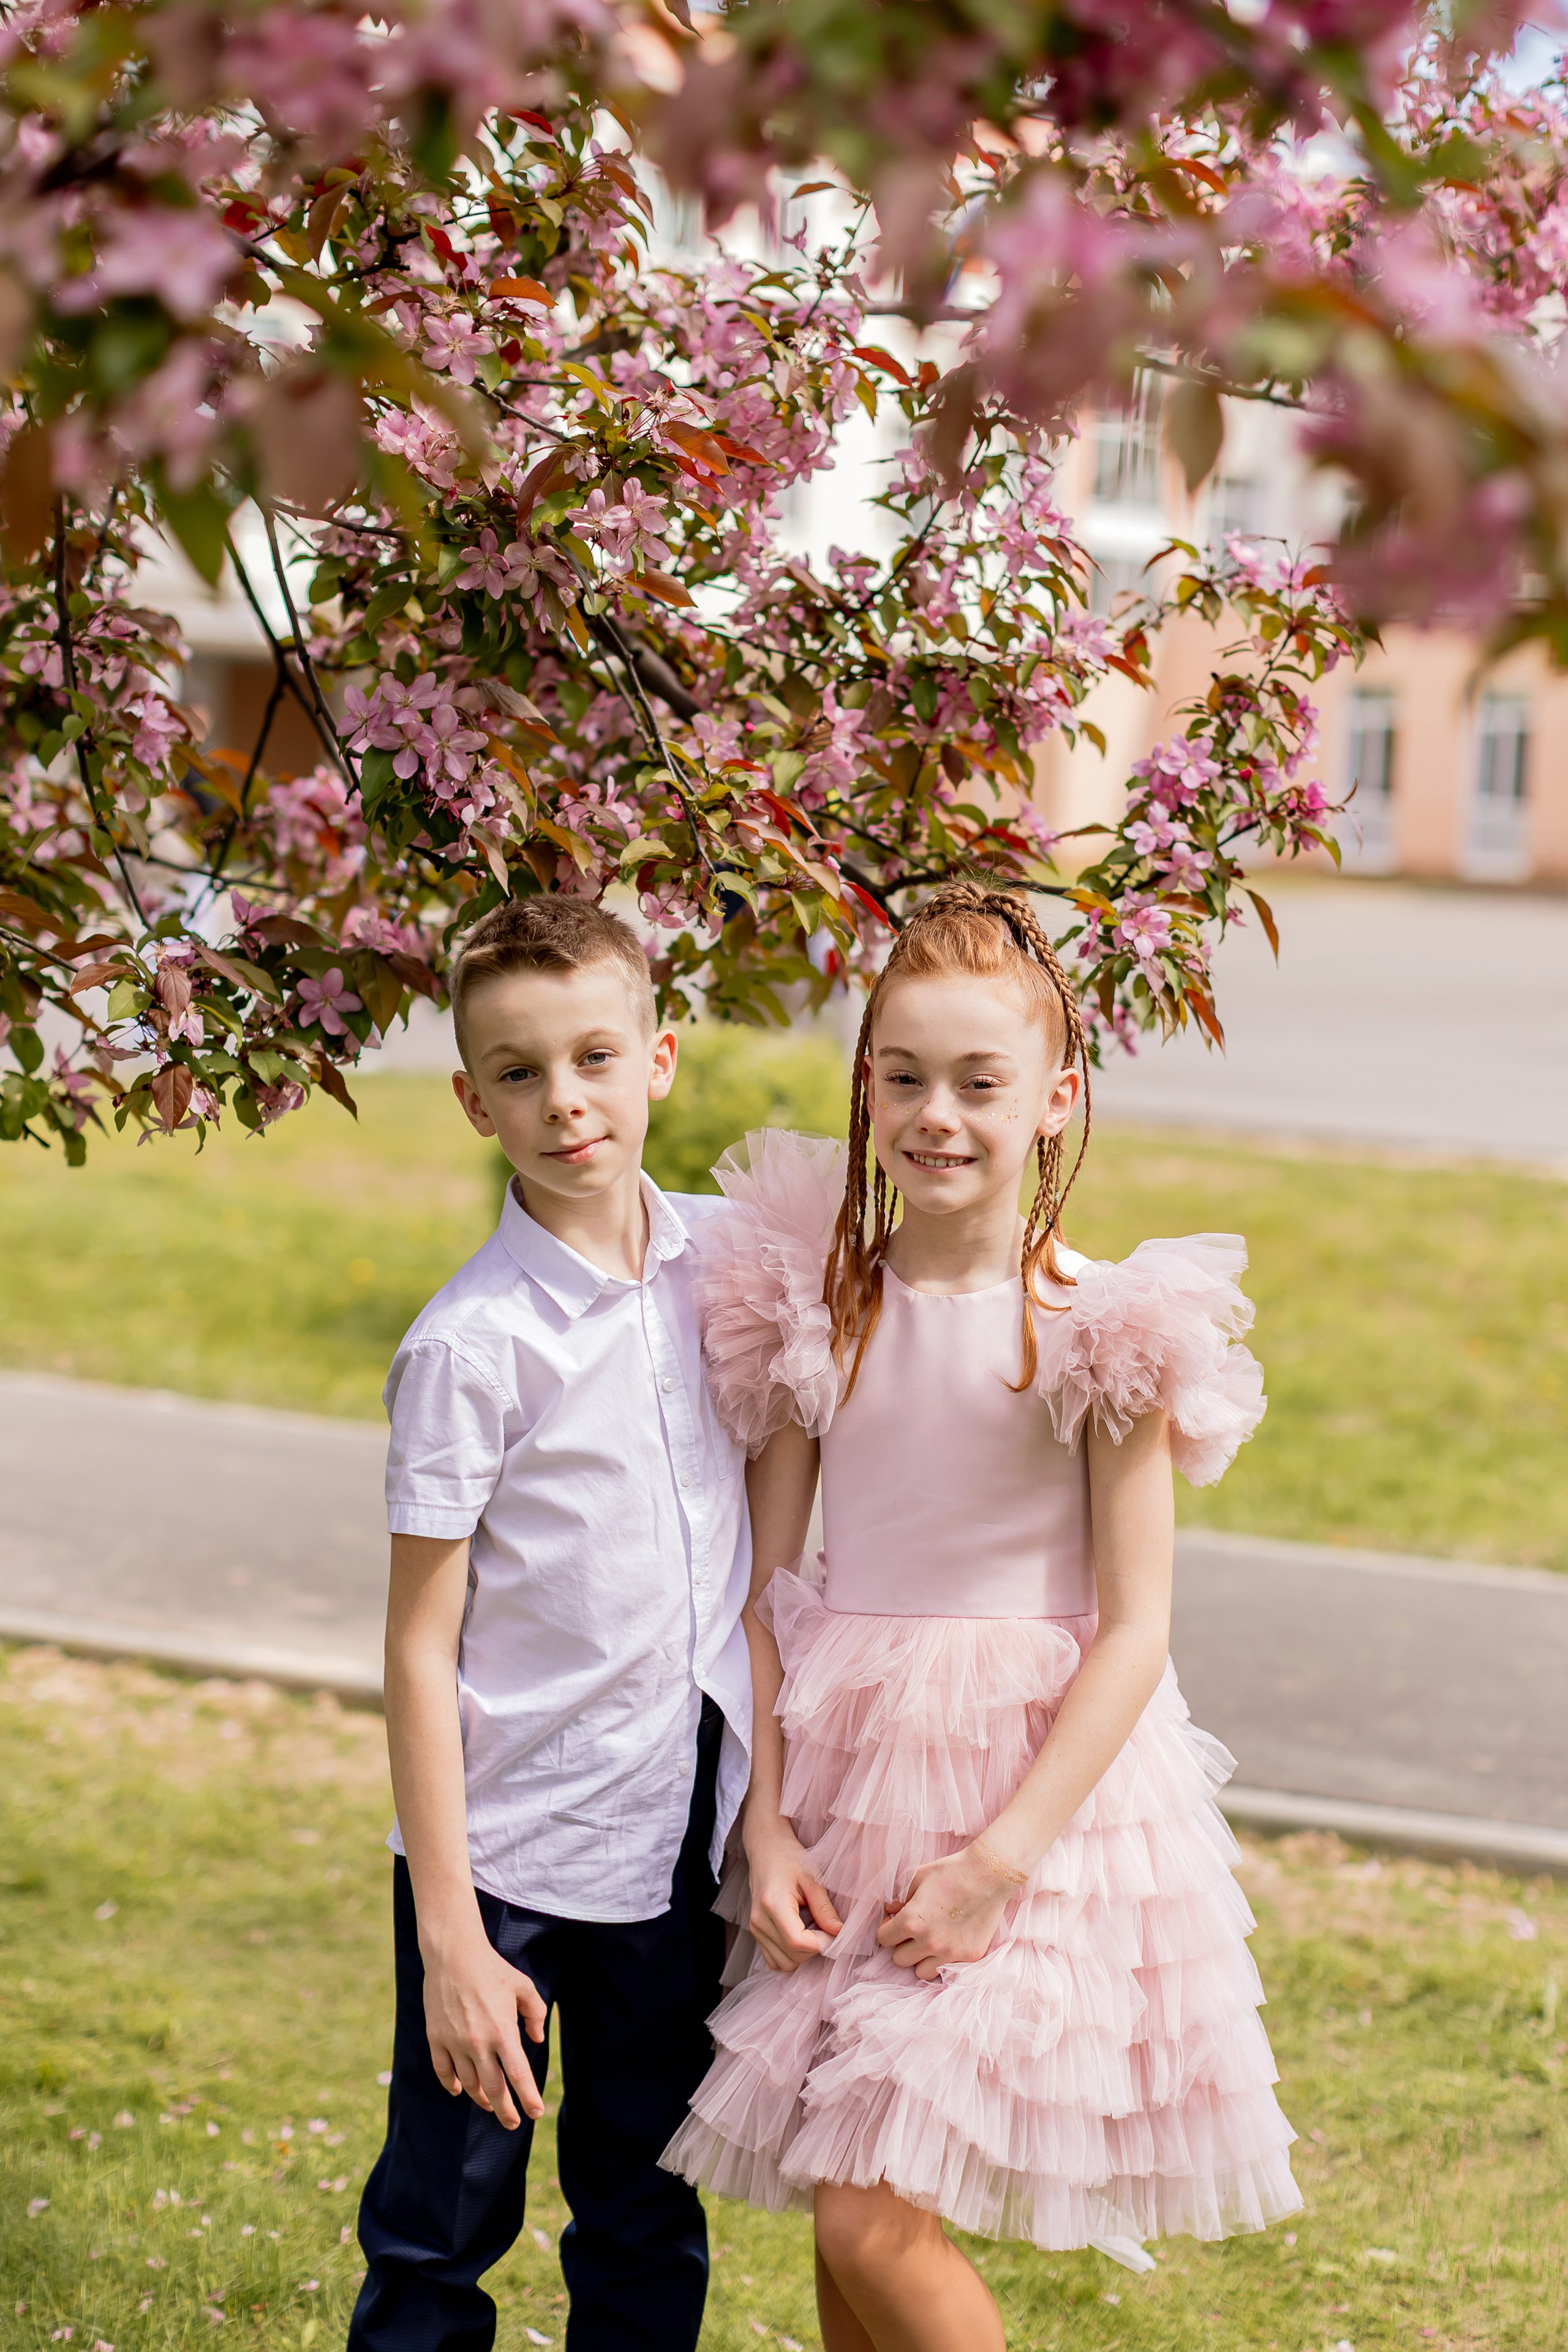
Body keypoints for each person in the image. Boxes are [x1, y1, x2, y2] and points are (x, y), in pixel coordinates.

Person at [662, 881, 1302, 2351]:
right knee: (850, 2205)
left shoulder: (1101, 1325)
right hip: (842, 1782)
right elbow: (765, 1591)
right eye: (901, 1076)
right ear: (864, 1084)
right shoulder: (815, 1310)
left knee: (868, 2216)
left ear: (1054, 1100)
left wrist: (998, 1865)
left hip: (1030, 1805)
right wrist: (763, 1827)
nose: (934, 1114)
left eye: (977, 1082)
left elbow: (1134, 1627)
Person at [349, 896, 751, 2352]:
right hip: (503, 1861)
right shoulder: (470, 1346)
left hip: (667, 1848)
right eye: (516, 1072)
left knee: (646, 2212)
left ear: (658, 1056)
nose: (562, 1100)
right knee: (441, 2228)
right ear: (471, 1101)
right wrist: (450, 1937)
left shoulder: (730, 1271)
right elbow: (417, 1644)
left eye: (593, 1055)